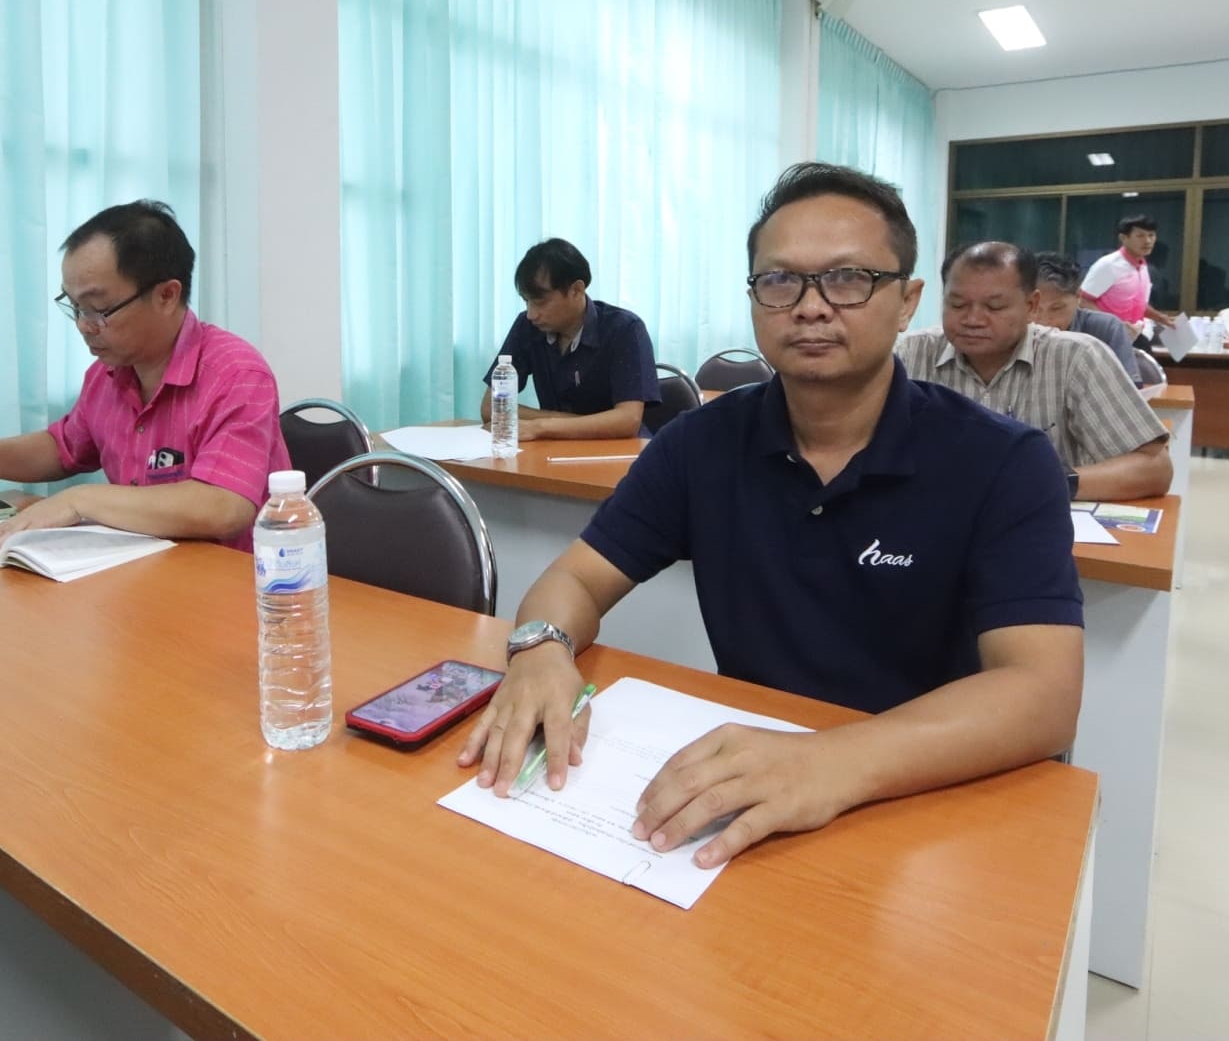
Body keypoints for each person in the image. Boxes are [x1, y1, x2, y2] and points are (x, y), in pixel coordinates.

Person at [455, 163, 1082, 870]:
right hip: (749, 798)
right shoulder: (701, 443)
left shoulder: (1003, 461)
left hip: (925, 804)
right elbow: (576, 578)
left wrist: (833, 760)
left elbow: (1043, 693)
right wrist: (541, 649)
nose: (810, 307)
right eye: (780, 281)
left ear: (907, 301)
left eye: (848, 278)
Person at [0, 200, 288, 553]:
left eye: (99, 308)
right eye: (75, 307)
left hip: (235, 592)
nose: (84, 325)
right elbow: (63, 449)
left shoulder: (235, 374)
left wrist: (82, 500)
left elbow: (224, 506)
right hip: (145, 576)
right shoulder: (107, 374)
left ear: (166, 295)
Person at [896, 242, 1173, 501]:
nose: (973, 319)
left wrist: (1046, 483)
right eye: (957, 305)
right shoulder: (912, 353)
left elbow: (1154, 468)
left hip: (1035, 518)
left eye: (994, 307)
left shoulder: (1076, 357)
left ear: (1031, 306)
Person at [479, 238, 660, 440]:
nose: (531, 314)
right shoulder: (528, 327)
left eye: (540, 302)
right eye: (526, 301)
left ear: (576, 290)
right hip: (553, 447)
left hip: (617, 450)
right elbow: (491, 407)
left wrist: (541, 426)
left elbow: (628, 420)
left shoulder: (624, 328)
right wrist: (570, 422)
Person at [1035, 251, 1144, 383]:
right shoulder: (1017, 330)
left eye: (1056, 308)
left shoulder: (1107, 329)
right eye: (1036, 309)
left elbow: (1130, 388)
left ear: (1078, 297)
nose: (1045, 320)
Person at [1079, 214, 1175, 334]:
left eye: (1151, 235)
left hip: (1135, 333)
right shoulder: (1108, 265)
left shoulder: (1143, 266)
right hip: (1106, 334)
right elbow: (1082, 301)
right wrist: (1114, 325)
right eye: (1140, 236)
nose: (1147, 241)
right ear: (1123, 238)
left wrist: (1160, 318)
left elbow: (1138, 304)